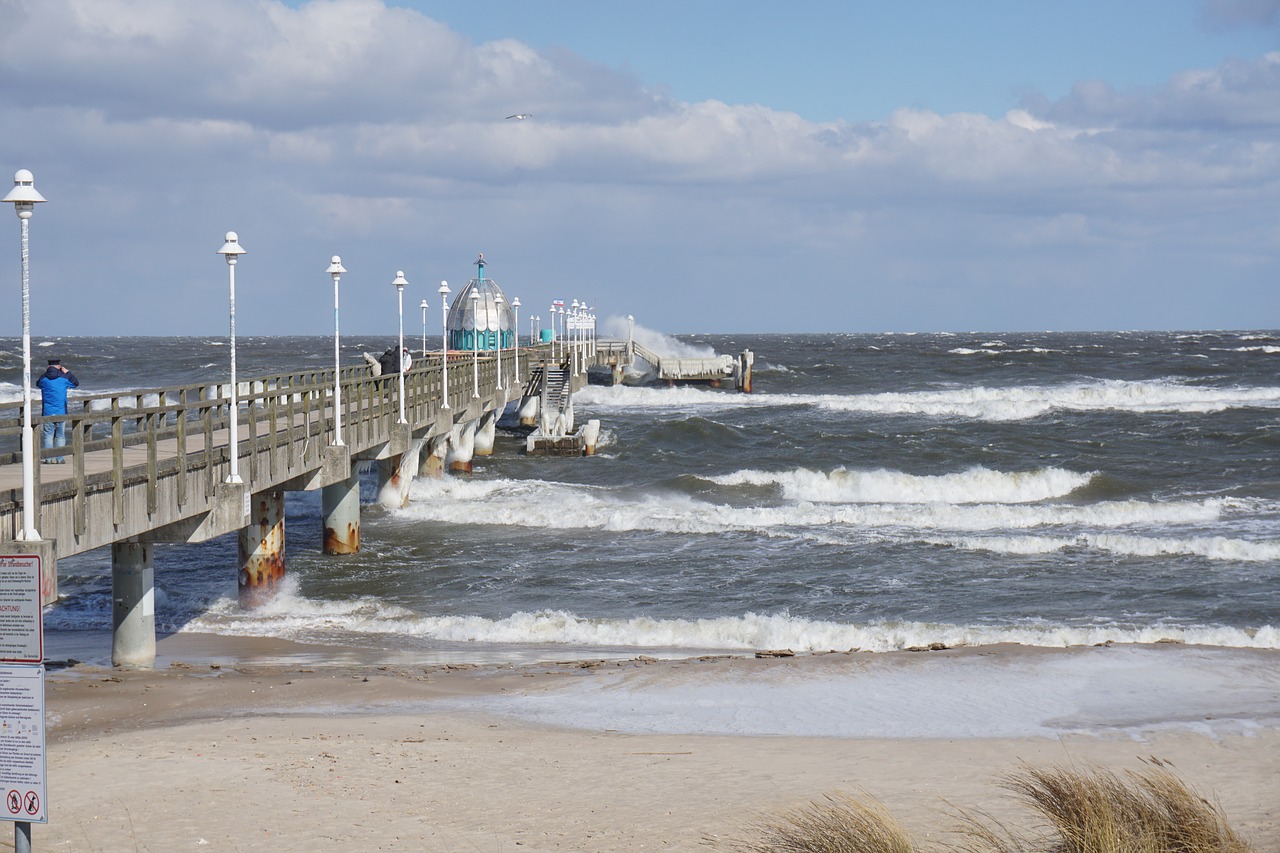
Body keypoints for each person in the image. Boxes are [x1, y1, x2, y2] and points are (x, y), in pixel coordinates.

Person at [37, 358, 78, 463]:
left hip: (47, 411)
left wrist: (46, 373)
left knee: (48, 435)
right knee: (60, 435)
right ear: (59, 366)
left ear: (48, 367)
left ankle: (48, 458)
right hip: (61, 411)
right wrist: (67, 372)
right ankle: (60, 459)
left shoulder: (44, 379)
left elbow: (38, 384)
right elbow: (75, 383)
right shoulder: (64, 378)